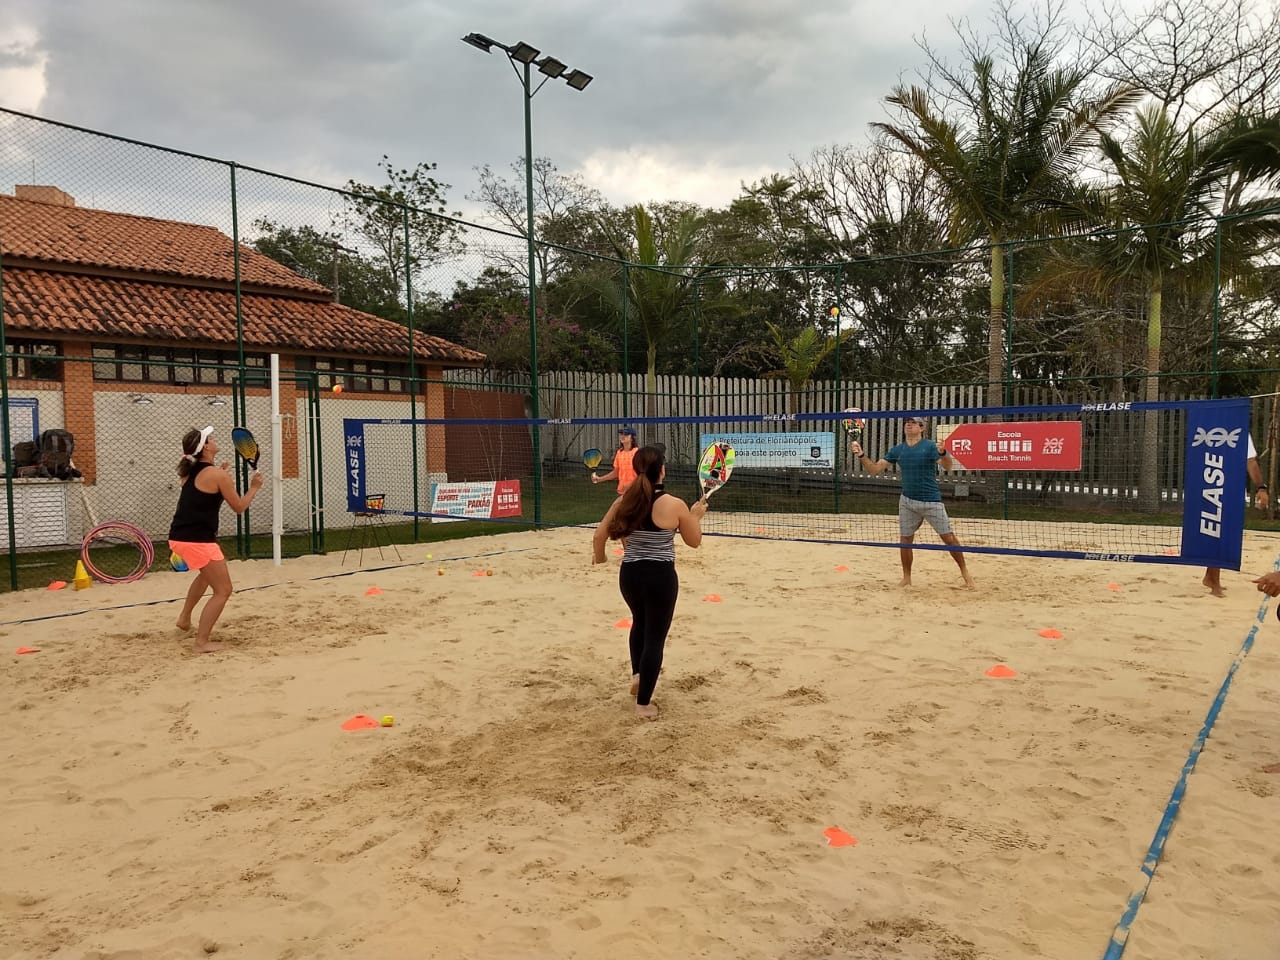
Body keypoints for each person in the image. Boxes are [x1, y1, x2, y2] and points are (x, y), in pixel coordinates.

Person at [592, 445, 708, 720]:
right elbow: (694, 542)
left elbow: (599, 536)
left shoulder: (623, 502)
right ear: (662, 470)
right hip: (660, 577)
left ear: (635, 469)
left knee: (639, 624)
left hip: (630, 576)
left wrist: (601, 559)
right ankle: (643, 703)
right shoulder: (674, 504)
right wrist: (695, 516)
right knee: (655, 637)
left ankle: (637, 675)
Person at [168, 425, 265, 654]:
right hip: (197, 540)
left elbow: (203, 497)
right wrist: (254, 488)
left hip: (180, 537)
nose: (213, 439)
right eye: (210, 438)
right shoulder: (216, 475)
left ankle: (184, 619)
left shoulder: (190, 472)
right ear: (206, 448)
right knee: (223, 590)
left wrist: (221, 475)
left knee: (206, 576)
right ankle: (201, 643)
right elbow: (239, 507)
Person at [851, 415, 974, 588]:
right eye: (907, 422)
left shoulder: (930, 446)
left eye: (913, 423)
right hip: (907, 501)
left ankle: (965, 572)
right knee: (905, 540)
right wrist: (861, 455)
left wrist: (943, 453)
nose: (908, 425)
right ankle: (907, 577)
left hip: (931, 501)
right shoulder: (898, 450)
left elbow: (948, 466)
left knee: (949, 538)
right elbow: (873, 469)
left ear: (922, 428)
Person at [1204, 434, 1269, 596]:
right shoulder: (1220, 427)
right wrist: (1261, 487)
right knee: (1217, 534)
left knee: (1219, 534)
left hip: (1222, 489)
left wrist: (1261, 487)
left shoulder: (1238, 430)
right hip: (1215, 488)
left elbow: (1250, 461)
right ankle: (1214, 583)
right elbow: (1251, 462)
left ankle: (1210, 577)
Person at [591, 426, 639, 495]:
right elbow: (616, 473)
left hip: (635, 492)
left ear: (632, 438)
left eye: (626, 434)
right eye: (621, 434)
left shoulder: (637, 452)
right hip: (622, 492)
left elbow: (642, 474)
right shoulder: (619, 453)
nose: (622, 436)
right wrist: (599, 479)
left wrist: (631, 485)